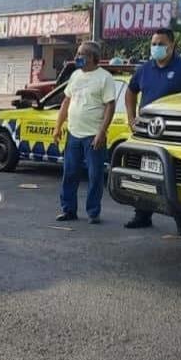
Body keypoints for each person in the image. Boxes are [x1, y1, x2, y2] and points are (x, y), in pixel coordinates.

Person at [123, 28, 181, 229]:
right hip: (149, 131)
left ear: (172, 45)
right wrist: (131, 118)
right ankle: (142, 214)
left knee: (177, 178)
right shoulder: (145, 69)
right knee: (144, 174)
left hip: (177, 136)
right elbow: (130, 91)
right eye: (154, 44)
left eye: (161, 44)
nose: (156, 48)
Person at [53, 41, 116, 224]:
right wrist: (58, 127)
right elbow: (66, 102)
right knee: (69, 173)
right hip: (74, 134)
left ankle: (93, 212)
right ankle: (68, 210)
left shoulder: (104, 78)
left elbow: (109, 106)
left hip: (93, 136)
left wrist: (101, 133)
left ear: (91, 57)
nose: (76, 57)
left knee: (95, 176)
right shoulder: (75, 75)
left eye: (80, 54)